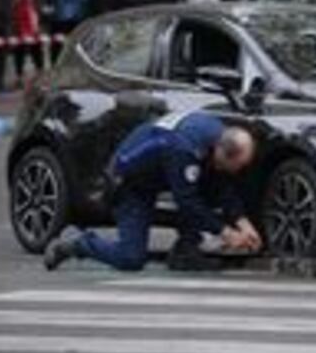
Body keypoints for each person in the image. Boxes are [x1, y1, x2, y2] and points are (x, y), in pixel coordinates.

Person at [44, 112, 261, 272]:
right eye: (240, 166)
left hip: (158, 176)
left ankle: (185, 252)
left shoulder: (218, 136)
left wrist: (243, 223)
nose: (240, 171)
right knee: (130, 259)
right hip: (128, 182)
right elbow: (187, 202)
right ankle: (78, 243)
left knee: (205, 184)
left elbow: (222, 185)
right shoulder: (184, 149)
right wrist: (226, 233)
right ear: (224, 153)